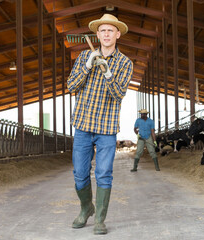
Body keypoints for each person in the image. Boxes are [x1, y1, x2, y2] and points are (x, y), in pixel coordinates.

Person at [67, 14, 133, 235]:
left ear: (118, 34)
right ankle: (86, 209)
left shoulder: (125, 63)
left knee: (103, 173)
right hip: (83, 125)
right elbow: (71, 86)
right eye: (103, 30)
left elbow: (119, 94)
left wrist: (107, 73)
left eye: (110, 31)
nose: (106, 34)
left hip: (106, 128)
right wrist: (88, 65)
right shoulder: (85, 55)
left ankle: (100, 220)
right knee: (80, 173)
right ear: (97, 34)